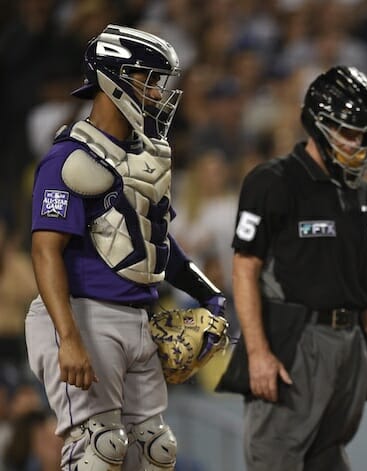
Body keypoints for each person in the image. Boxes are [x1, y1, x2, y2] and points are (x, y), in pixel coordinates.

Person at [25, 24, 226, 471]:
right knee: (100, 450)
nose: (157, 92)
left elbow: (156, 240)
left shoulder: (147, 156)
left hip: (138, 315)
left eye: (158, 82)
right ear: (112, 78)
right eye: (147, 79)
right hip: (82, 313)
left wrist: (209, 294)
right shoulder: (69, 157)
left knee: (155, 451)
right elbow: (45, 251)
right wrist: (68, 337)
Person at [231, 65, 367, 471]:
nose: (357, 144)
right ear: (318, 125)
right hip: (294, 337)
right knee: (275, 457)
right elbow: (244, 268)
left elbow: (362, 287)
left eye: (364, 135)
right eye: (348, 132)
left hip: (350, 343)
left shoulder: (366, 195)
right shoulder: (273, 181)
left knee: (330, 456)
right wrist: (258, 353)